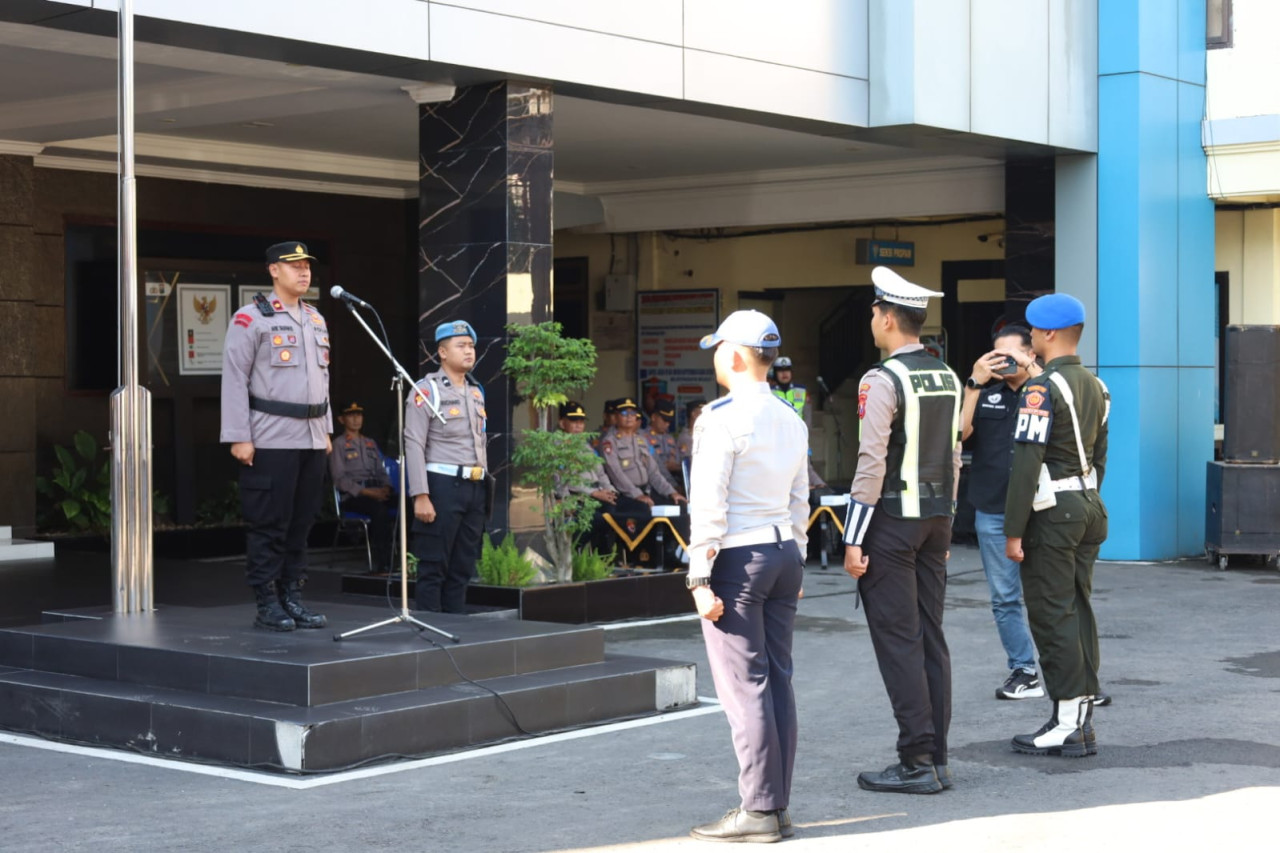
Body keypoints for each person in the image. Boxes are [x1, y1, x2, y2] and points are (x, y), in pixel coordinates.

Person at [685, 310, 809, 844]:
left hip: (738, 558)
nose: (714, 356)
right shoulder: (791, 415)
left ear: (734, 356)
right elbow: (799, 497)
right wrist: (800, 555)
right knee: (776, 679)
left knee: (745, 688)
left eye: (717, 348)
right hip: (783, 551)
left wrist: (697, 578)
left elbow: (707, 504)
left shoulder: (719, 417)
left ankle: (758, 810)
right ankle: (775, 805)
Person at [842, 266, 961, 794]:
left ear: (888, 318)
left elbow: (871, 462)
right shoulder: (947, 374)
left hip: (891, 521)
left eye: (873, 311)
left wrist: (852, 535)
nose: (871, 318)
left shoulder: (881, 379)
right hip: (936, 520)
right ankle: (936, 757)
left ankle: (915, 759)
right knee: (930, 637)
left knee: (899, 642)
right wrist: (949, 525)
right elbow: (955, 456)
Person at [1004, 292, 1110, 758]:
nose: (1029, 338)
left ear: (1047, 334)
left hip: (1052, 514)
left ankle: (1066, 721)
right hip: (1088, 503)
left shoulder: (1040, 389)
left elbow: (1026, 465)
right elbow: (1100, 456)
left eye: (1032, 331)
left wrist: (1013, 529)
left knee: (1052, 615)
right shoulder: (1097, 386)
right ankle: (1081, 714)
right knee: (1079, 610)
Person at [220, 240, 331, 632]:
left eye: (307, 266)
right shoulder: (251, 319)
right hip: (269, 437)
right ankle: (267, 602)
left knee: (302, 523)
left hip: (312, 438)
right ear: (273, 271)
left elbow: (322, 379)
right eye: (294, 266)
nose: (304, 272)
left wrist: (327, 429)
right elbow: (234, 378)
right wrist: (238, 435)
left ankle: (292, 597)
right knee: (270, 523)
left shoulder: (316, 319)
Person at [961, 326, 1044, 699]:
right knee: (1005, 597)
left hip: (1042, 509)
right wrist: (973, 384)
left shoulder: (1047, 391)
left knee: (1056, 595)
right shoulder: (986, 393)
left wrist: (1034, 372)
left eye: (1012, 355)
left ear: (1032, 354)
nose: (1004, 362)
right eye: (997, 355)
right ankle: (1024, 670)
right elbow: (959, 435)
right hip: (993, 508)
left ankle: (1075, 677)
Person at [404, 320, 488, 613]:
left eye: (471, 345)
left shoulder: (476, 392)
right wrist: (420, 495)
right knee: (433, 566)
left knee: (462, 566)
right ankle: (430, 629)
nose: (469, 351)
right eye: (460, 346)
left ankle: (455, 626)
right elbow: (413, 444)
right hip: (441, 486)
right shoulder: (426, 390)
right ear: (442, 352)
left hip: (474, 486)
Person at [329, 401, 394, 572]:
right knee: (379, 511)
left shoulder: (370, 443)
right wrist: (367, 492)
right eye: (351, 415)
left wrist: (386, 488)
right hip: (353, 496)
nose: (356, 419)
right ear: (341, 419)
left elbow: (381, 472)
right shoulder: (339, 444)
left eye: (359, 415)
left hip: (377, 492)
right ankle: (384, 563)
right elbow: (339, 479)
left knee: (408, 506)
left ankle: (407, 559)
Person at [556, 400, 618, 555]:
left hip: (597, 495)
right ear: (562, 423)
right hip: (577, 498)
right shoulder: (557, 446)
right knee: (598, 519)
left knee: (618, 513)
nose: (578, 425)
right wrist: (592, 493)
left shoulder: (586, 446)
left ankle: (607, 559)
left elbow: (601, 473)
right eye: (573, 420)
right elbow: (561, 479)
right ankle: (582, 555)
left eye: (581, 421)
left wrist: (610, 490)